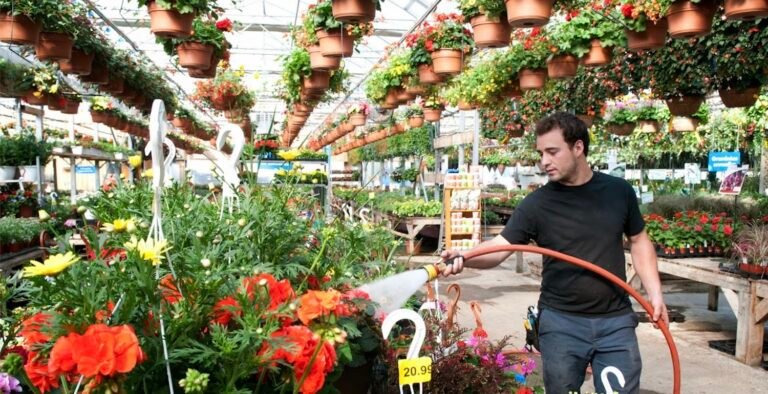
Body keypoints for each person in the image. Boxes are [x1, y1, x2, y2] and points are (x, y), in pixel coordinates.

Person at [440, 112, 668, 394]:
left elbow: (639, 240)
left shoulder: (618, 191)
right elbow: (500, 247)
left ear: (578, 147)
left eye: (552, 151)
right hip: (562, 324)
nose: (544, 161)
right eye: (541, 153)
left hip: (616, 322)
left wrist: (655, 294)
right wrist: (465, 257)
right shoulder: (538, 204)